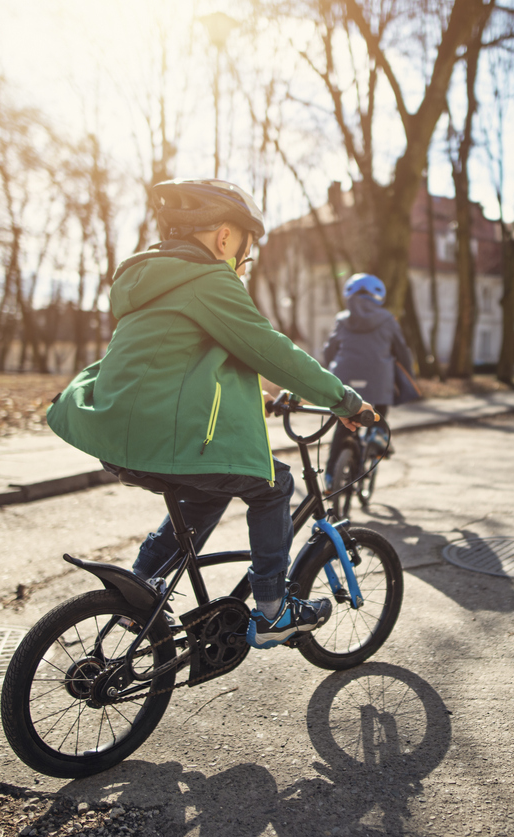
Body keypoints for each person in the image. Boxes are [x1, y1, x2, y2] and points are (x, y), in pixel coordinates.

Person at [46, 178, 374, 650]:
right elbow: (270, 350)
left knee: (206, 491)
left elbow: (182, 366)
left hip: (117, 433)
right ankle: (273, 610)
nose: (243, 260)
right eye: (246, 247)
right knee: (272, 484)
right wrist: (344, 399)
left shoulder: (154, 279)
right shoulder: (206, 279)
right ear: (225, 237)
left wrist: (260, 400)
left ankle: (142, 592)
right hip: (159, 437)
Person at [321, 273, 414, 488]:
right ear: (378, 296)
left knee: (342, 428)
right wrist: (408, 373)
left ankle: (329, 477)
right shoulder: (389, 320)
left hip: (344, 380)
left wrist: (328, 369)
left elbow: (329, 350)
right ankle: (377, 433)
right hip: (378, 380)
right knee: (379, 409)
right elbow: (402, 351)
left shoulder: (342, 319)